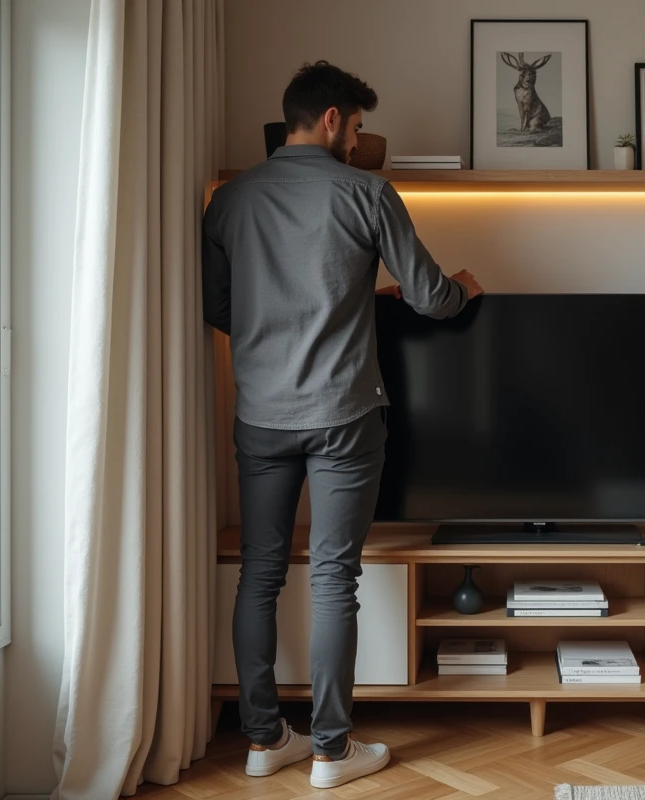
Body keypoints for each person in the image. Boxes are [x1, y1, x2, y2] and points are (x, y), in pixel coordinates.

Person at [201, 60, 482, 790]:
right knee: (333, 578)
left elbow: (220, 306)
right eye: (357, 127)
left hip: (261, 413)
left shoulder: (230, 202)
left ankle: (264, 742)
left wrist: (280, 325)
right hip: (345, 416)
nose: (358, 141)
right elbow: (428, 297)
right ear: (332, 120)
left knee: (260, 575)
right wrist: (464, 290)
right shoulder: (366, 192)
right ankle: (331, 751)